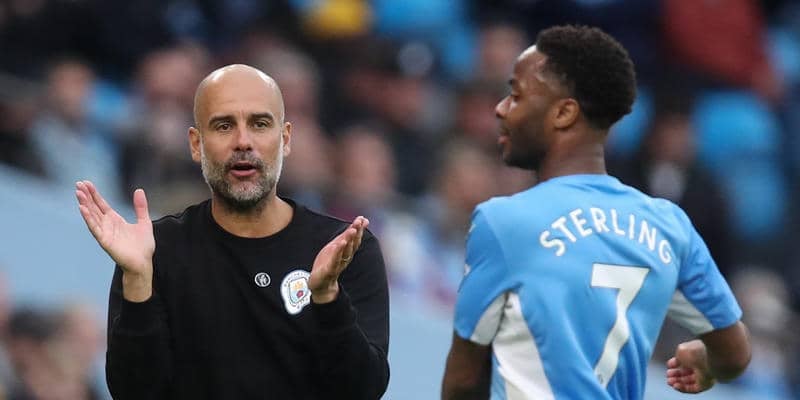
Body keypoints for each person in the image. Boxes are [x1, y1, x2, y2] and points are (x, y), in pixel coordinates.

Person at [441, 25, 751, 399]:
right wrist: (704, 360)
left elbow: (463, 381)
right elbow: (735, 354)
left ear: (563, 113)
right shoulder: (670, 226)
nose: (501, 107)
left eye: (516, 95)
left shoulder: (503, 221)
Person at [75, 64, 389, 399]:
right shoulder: (154, 251)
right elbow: (134, 392)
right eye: (224, 126)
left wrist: (328, 297)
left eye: (259, 124)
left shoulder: (344, 249)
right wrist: (138, 280)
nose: (243, 142)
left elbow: (363, 390)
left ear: (285, 139)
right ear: (196, 144)